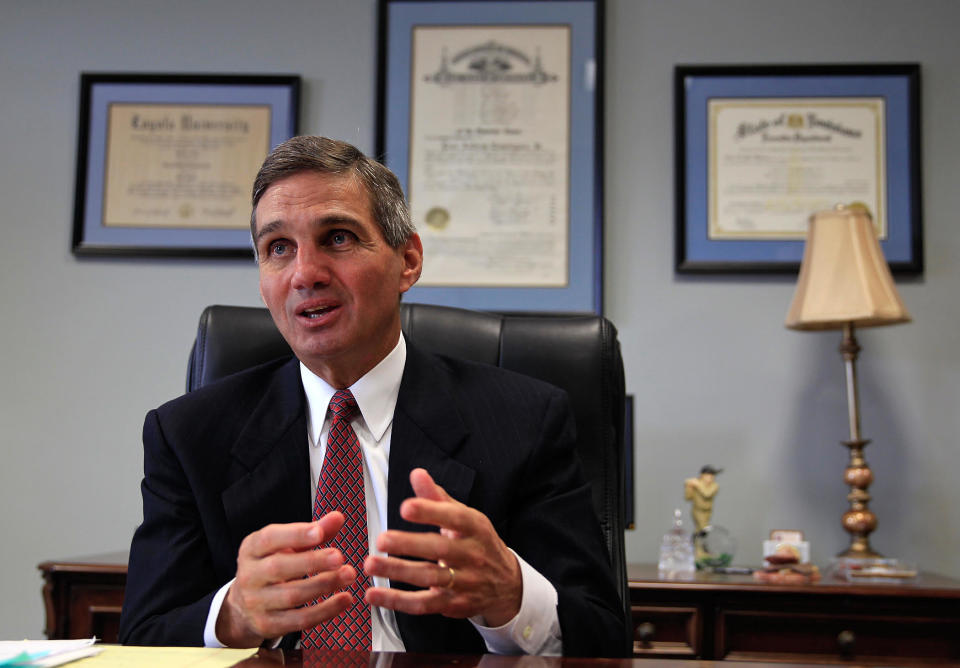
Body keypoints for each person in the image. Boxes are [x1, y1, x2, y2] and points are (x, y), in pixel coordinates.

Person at [118, 136, 626, 657]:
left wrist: (513, 597)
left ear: (408, 260)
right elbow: (140, 641)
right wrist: (235, 616)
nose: (305, 274)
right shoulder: (188, 435)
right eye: (278, 248)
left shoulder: (524, 421)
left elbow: (606, 640)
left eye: (337, 238)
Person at [684, 465, 722, 532]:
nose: (712, 478)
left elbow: (707, 494)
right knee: (703, 528)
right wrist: (688, 487)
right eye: (709, 475)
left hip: (708, 511)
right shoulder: (697, 484)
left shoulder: (714, 485)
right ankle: (700, 541)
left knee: (700, 529)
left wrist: (698, 485)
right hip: (698, 510)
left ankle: (697, 541)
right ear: (703, 476)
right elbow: (688, 497)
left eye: (713, 476)